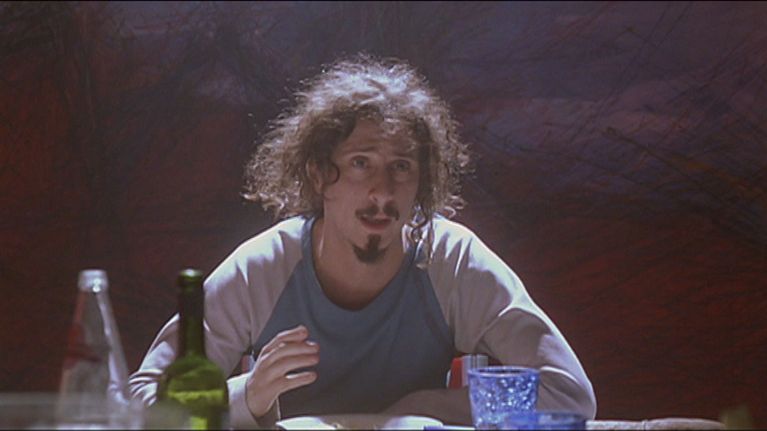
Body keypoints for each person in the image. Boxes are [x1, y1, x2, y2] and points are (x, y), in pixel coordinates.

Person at [128, 54, 597, 428]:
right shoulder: (263, 268)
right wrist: (247, 395)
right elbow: (141, 405)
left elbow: (570, 395)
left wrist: (426, 406)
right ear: (318, 174)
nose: (382, 192)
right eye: (360, 163)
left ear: (422, 182)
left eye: (401, 167)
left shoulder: (452, 262)